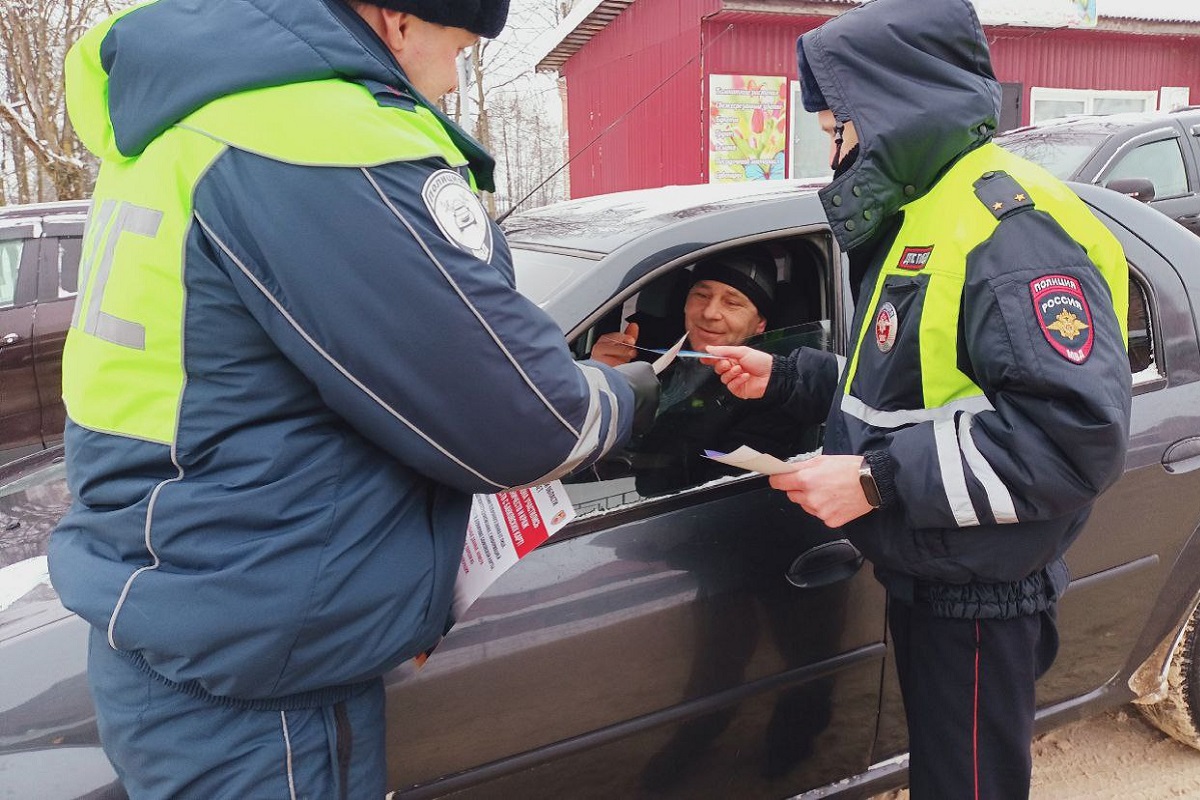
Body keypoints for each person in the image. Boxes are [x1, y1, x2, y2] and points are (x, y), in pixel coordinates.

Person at [48, 1, 657, 797]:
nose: (449, 81)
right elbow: (531, 422)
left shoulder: (186, 120)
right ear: (400, 20)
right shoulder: (314, 133)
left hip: (188, 617)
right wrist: (631, 395)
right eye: (460, 50)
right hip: (258, 696)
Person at [709, 0, 1132, 797]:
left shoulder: (1009, 231)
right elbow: (909, 383)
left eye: (838, 128)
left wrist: (875, 480)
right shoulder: (927, 210)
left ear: (892, 110)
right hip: (936, 564)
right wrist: (789, 377)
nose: (832, 148)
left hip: (981, 592)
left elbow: (1073, 435)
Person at [591, 249, 810, 495]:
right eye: (701, 295)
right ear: (685, 303)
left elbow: (712, 496)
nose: (709, 313)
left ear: (760, 324)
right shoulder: (641, 351)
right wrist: (598, 376)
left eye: (732, 302)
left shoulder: (766, 397)